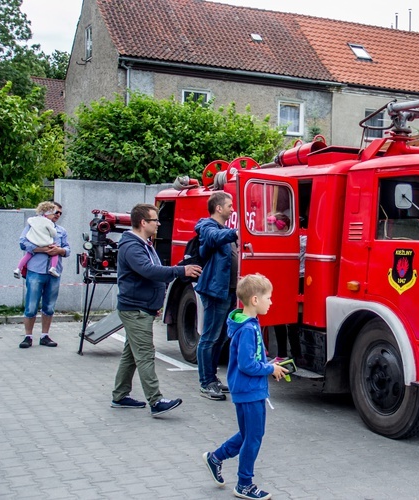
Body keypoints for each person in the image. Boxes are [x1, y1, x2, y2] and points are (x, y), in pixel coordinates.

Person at [202, 273, 288, 500]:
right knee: (254, 437)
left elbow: (250, 360)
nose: (271, 302)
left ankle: (215, 458)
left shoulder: (246, 324)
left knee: (248, 433)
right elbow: (247, 364)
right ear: (255, 300)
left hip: (246, 389)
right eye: (268, 298)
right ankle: (244, 484)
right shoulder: (249, 329)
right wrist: (270, 369)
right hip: (250, 391)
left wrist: (269, 366)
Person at [111, 203, 201, 416]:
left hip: (142, 307)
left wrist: (154, 303)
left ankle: (120, 395)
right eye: (155, 220)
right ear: (143, 223)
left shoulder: (143, 244)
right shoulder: (133, 246)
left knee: (131, 355)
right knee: (145, 354)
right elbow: (148, 270)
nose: (159, 224)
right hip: (135, 309)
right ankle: (156, 401)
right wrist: (181, 270)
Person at [195, 192, 239, 401]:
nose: (233, 209)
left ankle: (212, 379)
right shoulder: (207, 227)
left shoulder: (224, 230)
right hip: (215, 291)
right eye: (229, 206)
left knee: (221, 337)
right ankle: (206, 383)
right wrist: (238, 232)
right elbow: (214, 238)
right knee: (210, 338)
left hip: (228, 291)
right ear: (218, 208)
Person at [18, 201, 69, 349]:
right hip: (36, 270)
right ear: (46, 212)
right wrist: (42, 249)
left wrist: (59, 251)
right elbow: (23, 243)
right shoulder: (32, 226)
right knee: (31, 305)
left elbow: (68, 249)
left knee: (49, 305)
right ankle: (28, 336)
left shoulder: (61, 230)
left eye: (60, 213)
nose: (58, 215)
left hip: (54, 272)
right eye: (56, 212)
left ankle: (44, 335)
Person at [14, 201, 61, 280]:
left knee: (27, 255)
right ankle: (53, 268)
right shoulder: (48, 222)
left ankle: (18, 268)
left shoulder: (33, 220)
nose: (54, 216)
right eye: (53, 214)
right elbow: (53, 233)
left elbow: (29, 222)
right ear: (48, 213)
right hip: (45, 243)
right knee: (55, 253)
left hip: (34, 242)